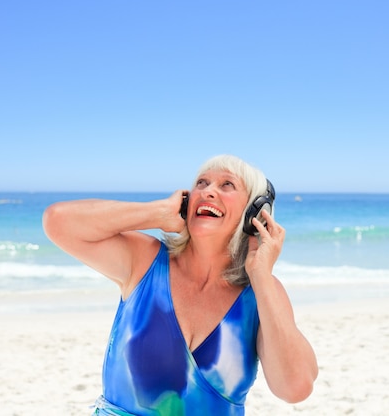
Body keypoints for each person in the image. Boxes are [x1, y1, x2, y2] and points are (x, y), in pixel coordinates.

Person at [43, 154, 318, 415]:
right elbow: (58, 221)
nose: (208, 191)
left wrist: (261, 276)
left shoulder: (262, 293)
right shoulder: (145, 263)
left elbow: (294, 388)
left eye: (227, 185)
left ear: (254, 214)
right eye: (201, 183)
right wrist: (156, 213)